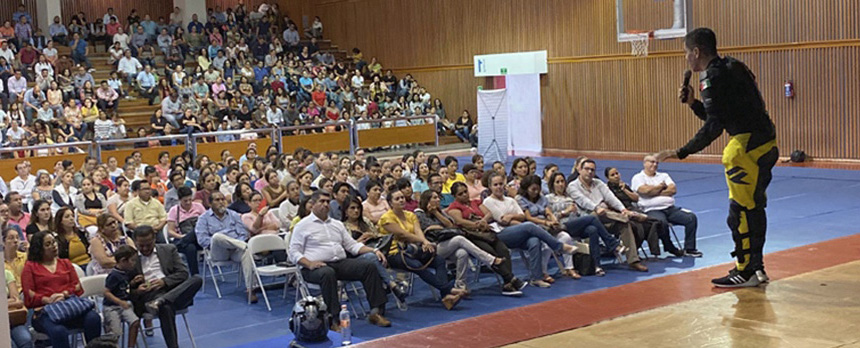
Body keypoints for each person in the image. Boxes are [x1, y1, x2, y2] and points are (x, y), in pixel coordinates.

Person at [655, 28, 778, 288]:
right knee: (754, 207)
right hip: (766, 142)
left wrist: (681, 151)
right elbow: (723, 116)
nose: (687, 58)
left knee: (739, 212)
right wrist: (693, 104)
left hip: (745, 149)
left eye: (687, 53)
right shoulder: (734, 66)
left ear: (696, 52)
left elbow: (713, 128)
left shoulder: (710, 77)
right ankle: (757, 268)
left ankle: (745, 271)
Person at [289, 190, 392, 329]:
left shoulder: (337, 224)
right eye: (322, 201)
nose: (326, 204)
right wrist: (309, 263)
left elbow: (352, 245)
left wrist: (374, 250)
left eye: (327, 201)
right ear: (312, 204)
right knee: (327, 273)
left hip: (339, 262)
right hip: (314, 268)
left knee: (369, 266)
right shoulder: (302, 226)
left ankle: (376, 312)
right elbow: (293, 252)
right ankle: (334, 319)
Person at [483, 172, 578, 287]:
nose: (499, 187)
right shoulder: (488, 201)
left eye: (500, 184)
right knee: (529, 225)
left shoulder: (510, 200)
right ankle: (558, 246)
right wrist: (515, 219)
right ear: (490, 187)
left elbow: (521, 216)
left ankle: (536, 278)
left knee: (534, 240)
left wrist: (512, 216)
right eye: (495, 185)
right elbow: (503, 220)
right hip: (501, 234)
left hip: (517, 232)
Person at [378, 189, 466, 309]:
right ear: (390, 203)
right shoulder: (386, 218)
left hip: (413, 248)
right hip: (393, 253)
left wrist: (425, 242)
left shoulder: (410, 215)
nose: (401, 200)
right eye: (397, 199)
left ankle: (446, 297)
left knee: (438, 260)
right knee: (417, 264)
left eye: (402, 198)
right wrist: (422, 241)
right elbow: (403, 234)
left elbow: (418, 231)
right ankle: (449, 289)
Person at [22, 231, 102, 348]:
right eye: (48, 244)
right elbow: (29, 295)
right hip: (45, 312)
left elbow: (77, 287)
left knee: (93, 318)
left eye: (54, 242)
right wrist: (48, 299)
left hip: (69, 306)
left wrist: (64, 294)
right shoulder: (30, 267)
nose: (53, 246)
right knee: (59, 331)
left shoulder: (65, 263)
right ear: (39, 248)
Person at [567, 159, 648, 272]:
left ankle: (633, 261)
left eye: (592, 170)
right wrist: (597, 207)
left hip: (605, 217)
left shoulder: (598, 183)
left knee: (624, 223)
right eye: (587, 169)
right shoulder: (572, 186)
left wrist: (622, 209)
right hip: (586, 220)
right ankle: (614, 241)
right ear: (579, 170)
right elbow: (583, 201)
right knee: (594, 215)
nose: (590, 172)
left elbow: (610, 197)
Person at [416, 190, 505, 291]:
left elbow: (450, 225)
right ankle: (490, 260)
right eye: (435, 198)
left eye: (438, 198)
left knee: (462, 253)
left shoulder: (439, 212)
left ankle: (460, 285)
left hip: (446, 244)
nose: (438, 200)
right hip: (432, 248)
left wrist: (436, 213)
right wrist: (440, 227)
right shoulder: (420, 214)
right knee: (459, 239)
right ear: (427, 200)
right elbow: (430, 229)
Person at [129, 226, 203, 348]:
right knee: (166, 308)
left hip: (173, 291)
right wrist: (137, 289)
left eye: (148, 244)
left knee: (197, 279)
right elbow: (125, 289)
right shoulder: (130, 258)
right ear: (135, 242)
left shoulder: (169, 249)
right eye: (141, 246)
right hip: (149, 296)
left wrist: (164, 281)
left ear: (154, 239)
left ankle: (161, 301)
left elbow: (183, 274)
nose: (145, 249)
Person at [544, 173, 627, 276]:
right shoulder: (548, 198)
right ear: (552, 184)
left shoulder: (570, 196)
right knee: (592, 217)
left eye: (562, 181)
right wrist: (565, 212)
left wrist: (576, 212)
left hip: (576, 224)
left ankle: (596, 266)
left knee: (592, 229)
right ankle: (613, 244)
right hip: (562, 227)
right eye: (557, 182)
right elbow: (550, 217)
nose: (561, 184)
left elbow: (579, 212)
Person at [629, 156, 702, 257]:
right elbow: (645, 191)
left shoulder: (664, 175)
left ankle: (689, 249)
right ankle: (670, 247)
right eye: (652, 162)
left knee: (691, 218)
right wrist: (660, 187)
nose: (654, 165)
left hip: (670, 209)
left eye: (656, 163)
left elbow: (672, 190)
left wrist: (653, 192)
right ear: (644, 163)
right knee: (661, 223)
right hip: (652, 210)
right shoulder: (638, 178)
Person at [194, 191, 257, 301]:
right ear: (210, 204)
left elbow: (243, 232)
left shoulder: (233, 214)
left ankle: (250, 289)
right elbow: (202, 240)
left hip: (235, 249)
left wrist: (233, 243)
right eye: (217, 200)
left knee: (246, 252)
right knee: (217, 237)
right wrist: (224, 242)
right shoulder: (203, 219)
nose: (221, 202)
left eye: (222, 199)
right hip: (218, 251)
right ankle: (241, 245)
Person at [102, 245, 141, 348]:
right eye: (132, 260)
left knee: (135, 322)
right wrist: (120, 302)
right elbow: (106, 292)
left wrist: (132, 283)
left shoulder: (126, 273)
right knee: (115, 333)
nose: (134, 263)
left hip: (124, 305)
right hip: (112, 307)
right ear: (123, 261)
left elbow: (123, 287)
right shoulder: (114, 275)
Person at [166, 186, 204, 275]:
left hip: (199, 238)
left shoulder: (199, 207)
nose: (188, 202)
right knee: (190, 248)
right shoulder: (174, 210)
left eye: (190, 200)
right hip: (181, 237)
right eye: (185, 201)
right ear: (179, 200)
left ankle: (183, 242)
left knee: (196, 230)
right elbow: (170, 231)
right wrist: (181, 236)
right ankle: (195, 275)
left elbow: (206, 223)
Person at [6, 263, 32, 348]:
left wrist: (4, 303)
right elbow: (13, 300)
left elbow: (17, 300)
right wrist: (10, 301)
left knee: (26, 339)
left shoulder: (6, 274)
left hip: (13, 318)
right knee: (10, 344)